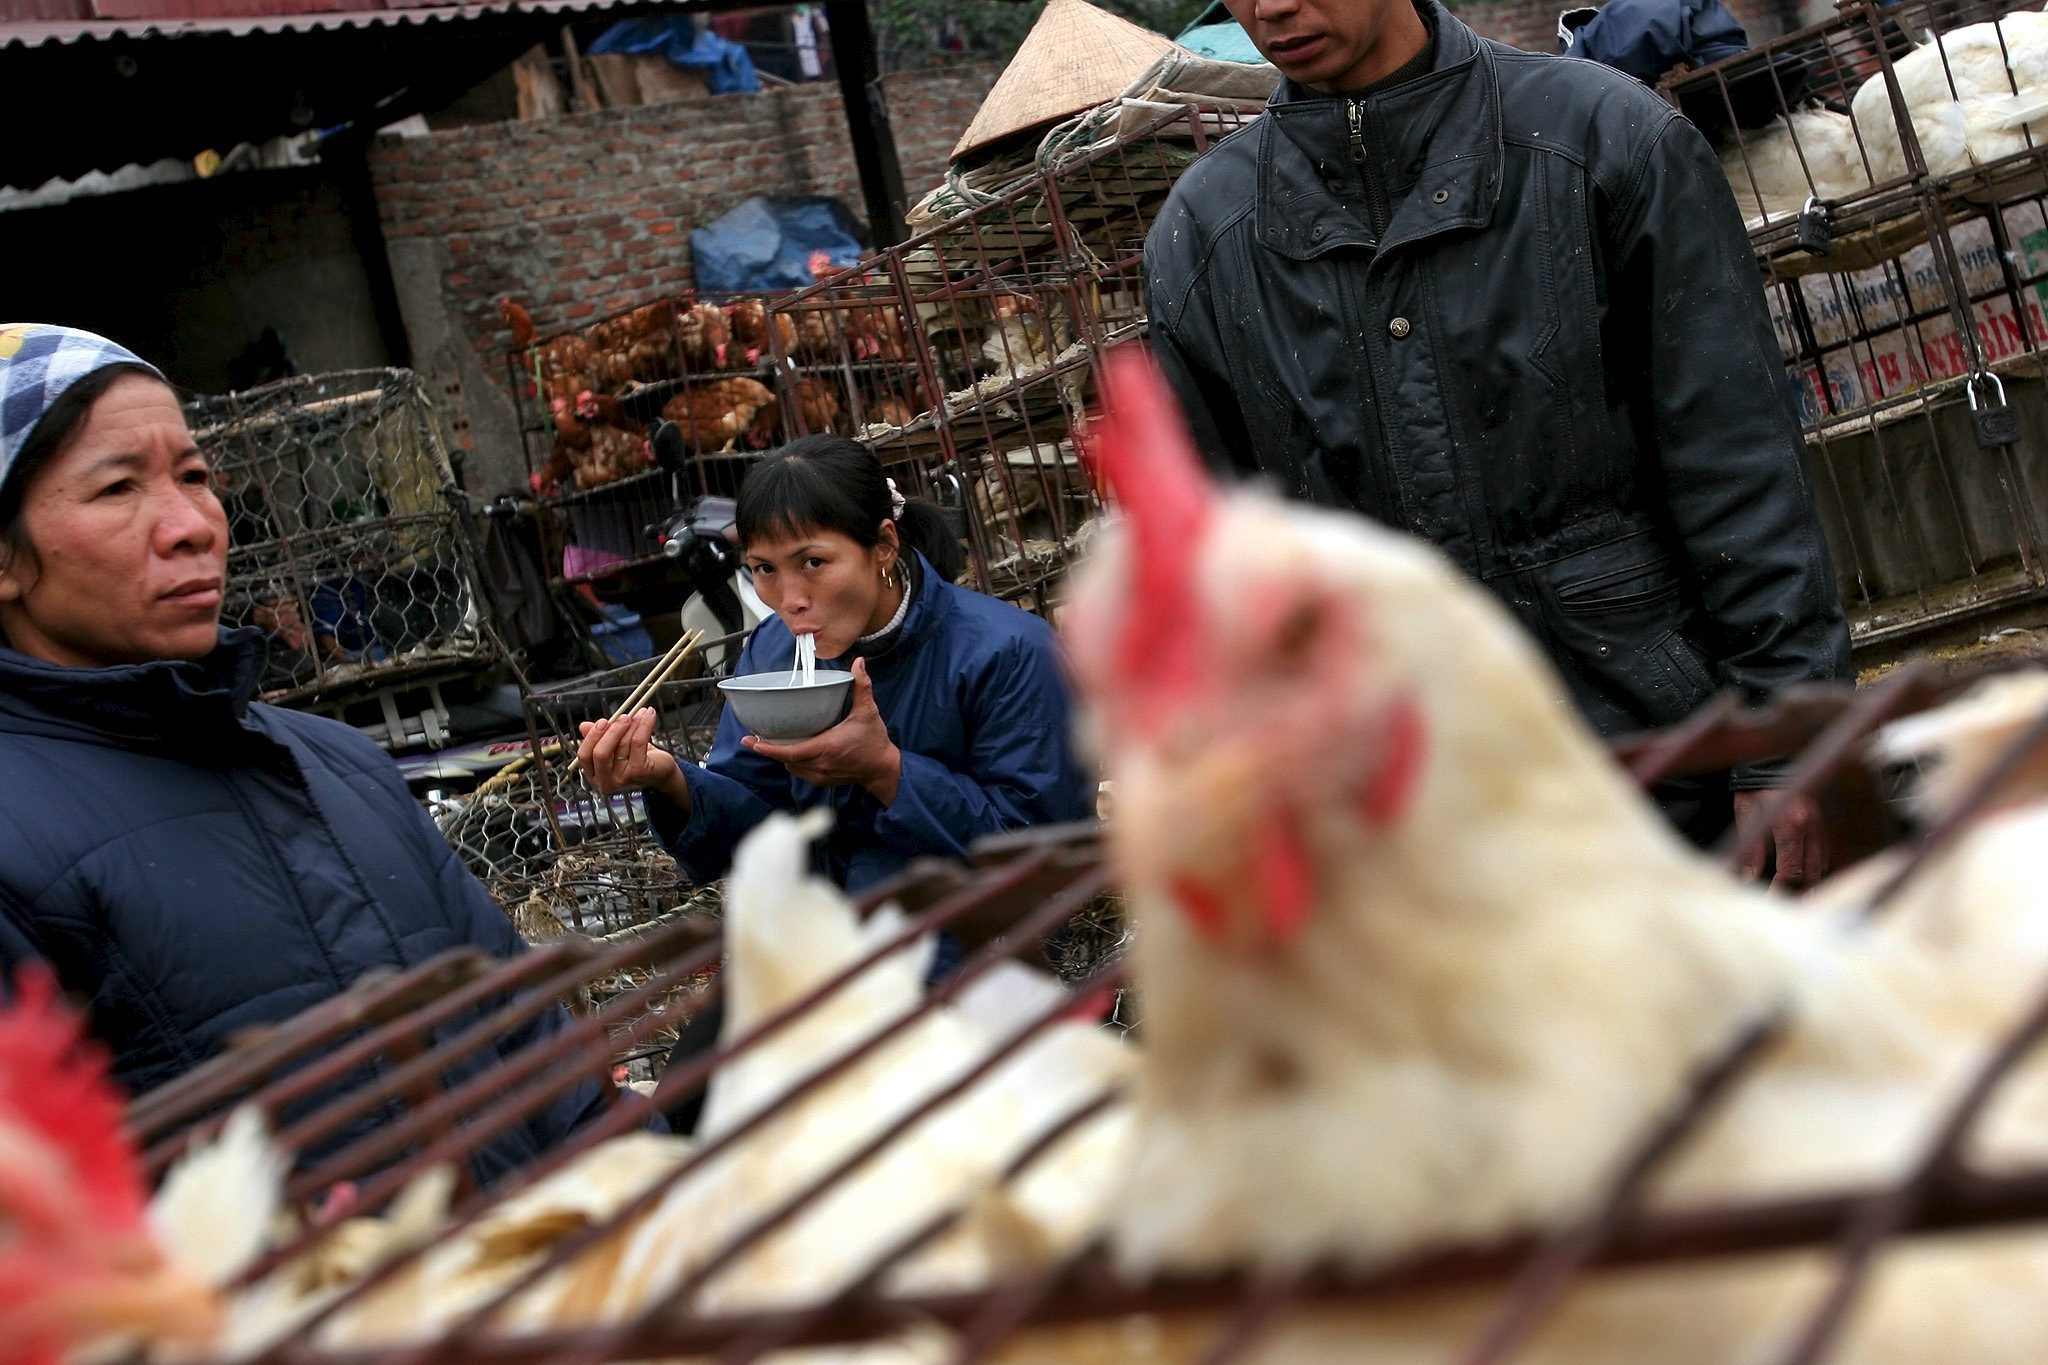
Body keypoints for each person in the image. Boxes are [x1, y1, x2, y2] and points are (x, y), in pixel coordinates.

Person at [1141, 0, 1853, 883]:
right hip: (1409, 831)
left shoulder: (1605, 140)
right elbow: (1220, 572)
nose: (1272, 7)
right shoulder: (1208, 235)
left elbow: (1737, 461)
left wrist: (1787, 739)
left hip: (1670, 771)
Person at [0, 324, 610, 1183]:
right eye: (117, 488)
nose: (191, 525)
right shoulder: (13, 849)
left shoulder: (340, 764)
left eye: (195, 475)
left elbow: (537, 1049)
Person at [576, 435, 1094, 893]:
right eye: (763, 569)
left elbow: (1042, 852)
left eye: (813, 563)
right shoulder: (772, 651)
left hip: (980, 938)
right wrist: (670, 781)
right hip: (834, 930)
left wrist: (888, 771)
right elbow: (761, 824)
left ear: (884, 546)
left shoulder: (1009, 651)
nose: (789, 599)